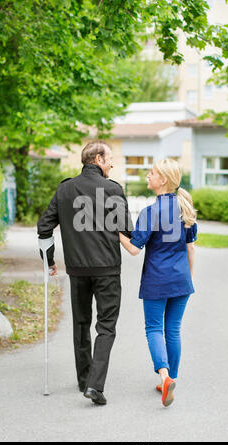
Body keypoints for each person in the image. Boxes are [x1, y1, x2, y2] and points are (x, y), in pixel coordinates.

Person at [37, 140, 132, 405]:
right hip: (108, 270)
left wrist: (49, 260)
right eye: (110, 158)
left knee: (81, 324)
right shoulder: (113, 189)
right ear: (98, 159)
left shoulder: (65, 189)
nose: (112, 163)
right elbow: (127, 229)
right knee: (106, 327)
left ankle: (84, 379)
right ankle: (94, 385)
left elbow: (44, 226)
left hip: (78, 270)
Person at [119, 158, 197, 407]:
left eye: (151, 173)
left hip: (156, 280)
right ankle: (171, 377)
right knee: (173, 330)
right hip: (181, 280)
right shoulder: (185, 208)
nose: (147, 177)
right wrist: (188, 279)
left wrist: (115, 232)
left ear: (163, 179)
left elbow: (133, 249)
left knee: (154, 329)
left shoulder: (150, 212)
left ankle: (164, 378)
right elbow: (191, 248)